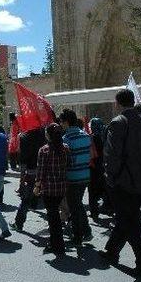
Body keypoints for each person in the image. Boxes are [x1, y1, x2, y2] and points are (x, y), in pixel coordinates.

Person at [100, 89, 141, 278]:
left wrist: (111, 179)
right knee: (127, 218)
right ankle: (111, 250)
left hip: (124, 182)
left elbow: (112, 155)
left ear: (118, 103)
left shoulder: (118, 123)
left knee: (132, 223)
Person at [33, 123, 70, 255]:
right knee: (55, 217)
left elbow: (41, 171)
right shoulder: (65, 148)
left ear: (48, 135)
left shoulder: (44, 150)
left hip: (49, 189)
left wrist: (37, 186)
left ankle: (57, 245)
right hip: (61, 188)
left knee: (53, 217)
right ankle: (56, 243)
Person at [59, 109, 93, 244]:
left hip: (72, 177)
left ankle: (78, 236)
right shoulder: (85, 135)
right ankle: (86, 231)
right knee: (77, 204)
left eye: (61, 122)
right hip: (85, 175)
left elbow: (66, 162)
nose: (61, 124)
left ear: (66, 122)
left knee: (74, 207)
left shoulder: (66, 140)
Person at [12, 127, 46, 231]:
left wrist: (22, 177)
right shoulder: (45, 134)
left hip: (31, 171)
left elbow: (23, 158)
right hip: (46, 171)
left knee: (26, 199)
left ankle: (19, 223)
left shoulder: (24, 136)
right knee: (49, 200)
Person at [87, 117, 107, 220]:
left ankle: (94, 211)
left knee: (92, 190)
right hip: (103, 166)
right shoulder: (105, 136)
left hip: (93, 166)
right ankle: (107, 206)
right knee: (104, 187)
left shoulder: (91, 138)